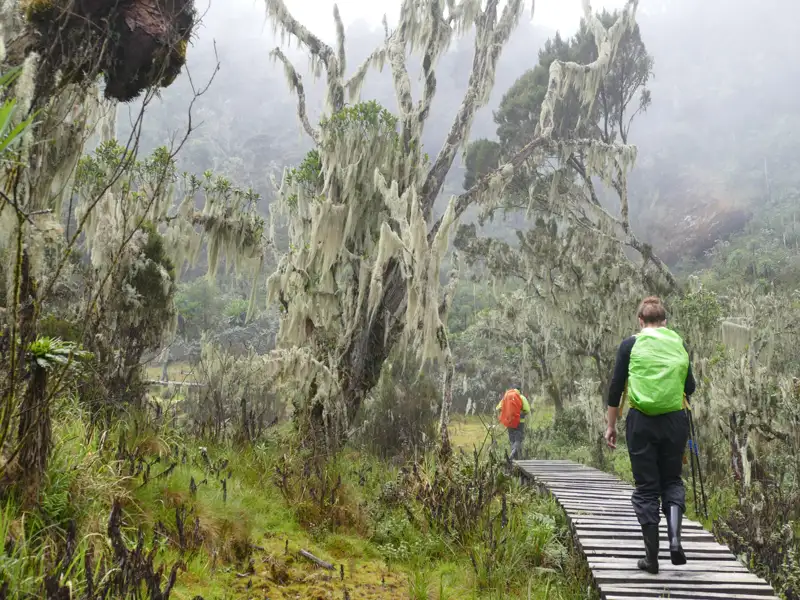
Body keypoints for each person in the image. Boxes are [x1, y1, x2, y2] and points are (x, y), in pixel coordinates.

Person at [604, 296, 696, 575]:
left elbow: (615, 389)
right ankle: (676, 541)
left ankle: (651, 559)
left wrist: (611, 426)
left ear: (640, 321)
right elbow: (689, 387)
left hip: (641, 422)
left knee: (646, 489)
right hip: (674, 422)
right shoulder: (677, 343)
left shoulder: (630, 345)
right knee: (672, 480)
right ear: (665, 322)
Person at [496, 387, 531, 461]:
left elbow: (498, 408)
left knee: (512, 440)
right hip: (519, 422)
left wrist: (506, 413)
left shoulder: (506, 397)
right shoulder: (521, 397)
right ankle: (512, 456)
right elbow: (527, 410)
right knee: (518, 440)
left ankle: (515, 459)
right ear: (519, 391)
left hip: (509, 422)